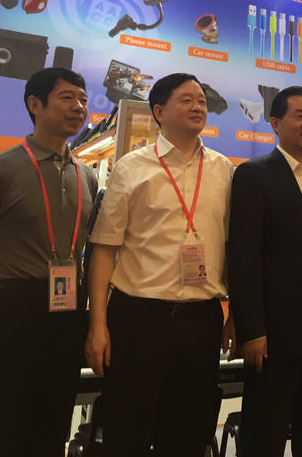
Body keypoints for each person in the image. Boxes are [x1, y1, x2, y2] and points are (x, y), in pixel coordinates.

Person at [84, 73, 234, 457]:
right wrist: (98, 325)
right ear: (159, 112)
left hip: (201, 321)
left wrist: (234, 314)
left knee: (188, 436)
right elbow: (104, 249)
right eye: (186, 100)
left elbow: (234, 247)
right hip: (138, 320)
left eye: (201, 100)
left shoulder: (224, 170)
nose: (198, 106)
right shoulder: (131, 167)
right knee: (126, 434)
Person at [228, 85, 302, 457]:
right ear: (275, 123)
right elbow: (243, 257)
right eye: (299, 116)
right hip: (273, 336)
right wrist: (252, 330)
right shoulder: (253, 175)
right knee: (265, 437)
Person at [0, 67, 97, 456]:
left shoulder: (87, 175)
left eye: (83, 100)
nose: (79, 107)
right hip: (14, 306)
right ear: (35, 104)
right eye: (67, 97)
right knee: (11, 416)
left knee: (55, 414)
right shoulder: (7, 168)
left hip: (69, 308)